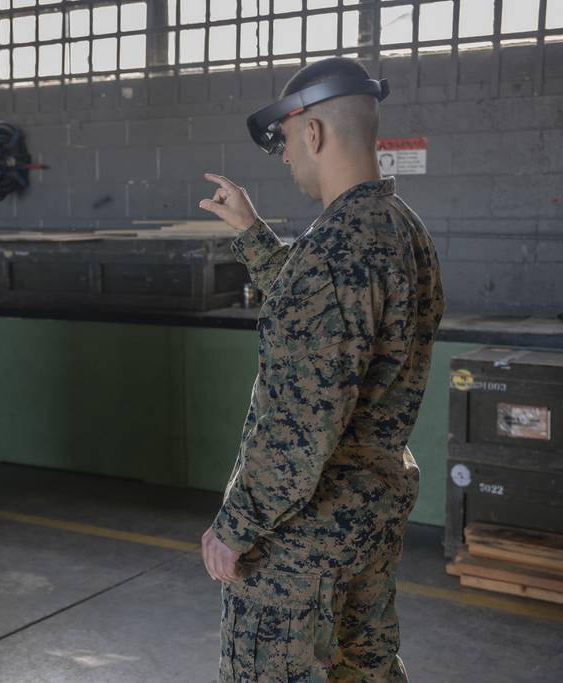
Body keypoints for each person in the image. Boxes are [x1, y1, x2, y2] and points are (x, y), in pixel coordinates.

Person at [197, 57, 445, 681]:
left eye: (284, 141)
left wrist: (235, 525)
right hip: (370, 516)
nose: (284, 157)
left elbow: (301, 422)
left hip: (304, 542)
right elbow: (339, 326)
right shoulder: (402, 230)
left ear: (313, 133)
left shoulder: (335, 249)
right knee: (364, 668)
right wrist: (253, 234)